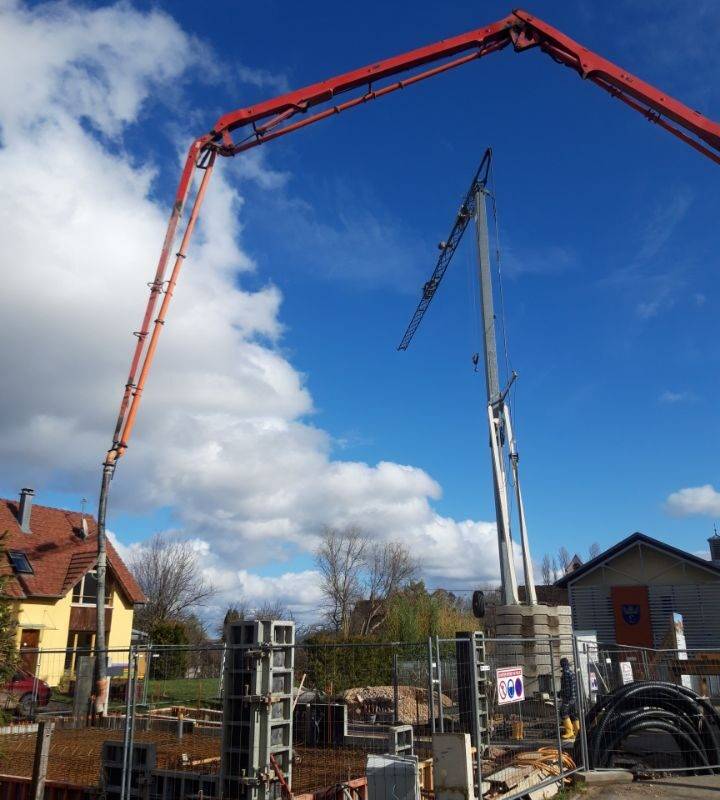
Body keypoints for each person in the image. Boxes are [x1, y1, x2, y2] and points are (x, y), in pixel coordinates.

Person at [559, 657, 580, 739]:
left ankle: (570, 732)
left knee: (563, 712)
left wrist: (566, 698)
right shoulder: (571, 672)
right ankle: (578, 732)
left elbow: (567, 687)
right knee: (574, 714)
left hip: (568, 698)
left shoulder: (566, 673)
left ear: (562, 664)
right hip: (574, 698)